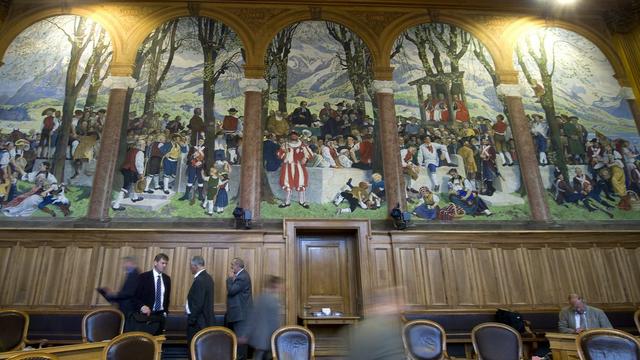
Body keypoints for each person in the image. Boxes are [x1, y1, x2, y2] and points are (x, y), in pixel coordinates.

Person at [133, 253, 172, 335]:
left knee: (158, 343)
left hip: (160, 317)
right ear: (155, 262)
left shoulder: (167, 279)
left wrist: (165, 313)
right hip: (146, 317)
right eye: (162, 263)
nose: (164, 266)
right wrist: (141, 306)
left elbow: (166, 298)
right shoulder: (143, 277)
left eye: (166, 264)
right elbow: (134, 297)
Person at [98, 256, 140, 331]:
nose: (123, 265)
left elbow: (129, 293)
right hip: (125, 309)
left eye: (125, 263)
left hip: (128, 311)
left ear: (130, 263)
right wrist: (112, 294)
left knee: (126, 332)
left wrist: (114, 294)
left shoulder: (135, 274)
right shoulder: (131, 274)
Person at [248, 276, 283, 360]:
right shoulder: (273, 300)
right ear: (275, 286)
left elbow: (252, 317)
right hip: (267, 337)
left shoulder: (260, 297)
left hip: (259, 337)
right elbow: (275, 321)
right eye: (280, 286)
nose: (282, 288)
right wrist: (279, 335)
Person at [277, 130, 313, 208]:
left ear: (298, 136)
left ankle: (302, 201)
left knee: (301, 182)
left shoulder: (302, 145)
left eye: (295, 135)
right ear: (290, 136)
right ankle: (287, 202)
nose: (293, 136)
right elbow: (279, 155)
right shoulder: (285, 145)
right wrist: (284, 153)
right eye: (292, 135)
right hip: (288, 166)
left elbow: (309, 154)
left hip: (299, 166)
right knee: (287, 183)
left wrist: (305, 158)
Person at [226, 257, 253, 360]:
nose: (231, 267)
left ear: (237, 265)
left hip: (241, 315)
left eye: (232, 265)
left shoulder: (242, 276)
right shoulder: (241, 275)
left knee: (241, 342)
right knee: (238, 340)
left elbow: (232, 291)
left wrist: (229, 279)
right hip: (239, 314)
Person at [186, 255, 215, 345]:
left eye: (191, 266)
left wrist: (191, 320)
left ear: (196, 266)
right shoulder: (208, 278)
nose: (190, 268)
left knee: (194, 351)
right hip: (205, 321)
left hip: (198, 323)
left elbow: (198, 304)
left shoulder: (200, 280)